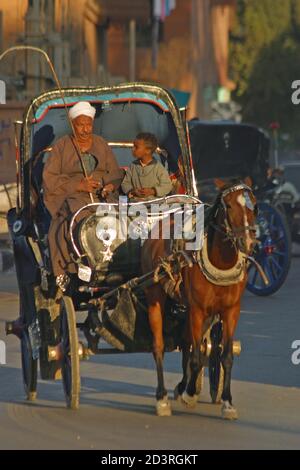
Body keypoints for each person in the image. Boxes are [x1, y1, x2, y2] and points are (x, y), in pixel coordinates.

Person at [43, 101, 123, 290]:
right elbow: (50, 178)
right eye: (81, 125)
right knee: (69, 220)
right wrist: (78, 185)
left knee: (120, 219)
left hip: (101, 196)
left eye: (89, 124)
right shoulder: (61, 147)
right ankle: (66, 269)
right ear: (72, 124)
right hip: (72, 197)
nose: (85, 129)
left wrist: (110, 185)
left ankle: (117, 262)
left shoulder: (101, 144)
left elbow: (115, 173)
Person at [121, 132, 172, 200]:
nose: (133, 149)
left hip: (154, 205)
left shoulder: (158, 168)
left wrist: (153, 191)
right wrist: (132, 191)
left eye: (136, 147)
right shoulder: (133, 166)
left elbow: (167, 185)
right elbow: (125, 183)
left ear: (148, 150)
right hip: (136, 204)